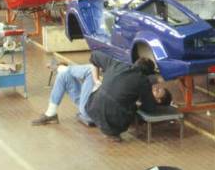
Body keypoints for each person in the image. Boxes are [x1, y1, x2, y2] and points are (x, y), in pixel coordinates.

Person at [32, 53, 171, 142]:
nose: (155, 87)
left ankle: (63, 68)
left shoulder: (124, 69)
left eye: (158, 90)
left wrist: (96, 79)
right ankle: (51, 112)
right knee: (64, 77)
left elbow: (94, 56)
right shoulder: (142, 85)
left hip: (91, 110)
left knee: (87, 70)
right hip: (90, 108)